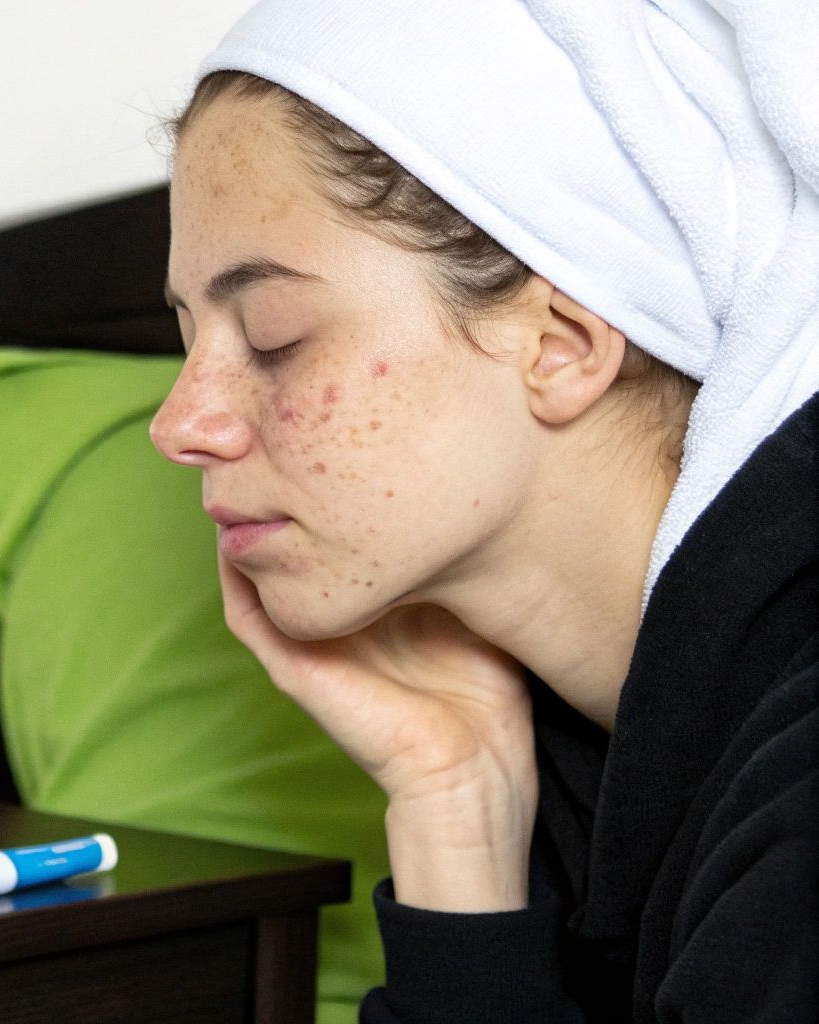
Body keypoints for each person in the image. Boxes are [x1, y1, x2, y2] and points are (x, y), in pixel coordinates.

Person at [148, 0, 818, 1020]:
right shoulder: (575, 767)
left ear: (558, 342)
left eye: (273, 334)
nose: (179, 423)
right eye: (186, 335)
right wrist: (453, 810)